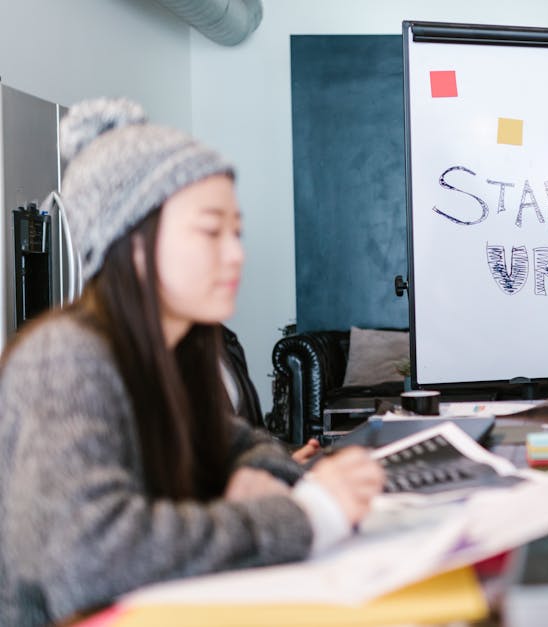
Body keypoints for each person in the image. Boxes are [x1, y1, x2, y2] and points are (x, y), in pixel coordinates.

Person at [0, 98, 385, 625]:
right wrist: (306, 516)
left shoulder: (178, 353)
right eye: (210, 231)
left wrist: (253, 474)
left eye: (237, 231)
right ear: (132, 244)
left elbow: (248, 443)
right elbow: (90, 560)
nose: (236, 254)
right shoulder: (64, 360)